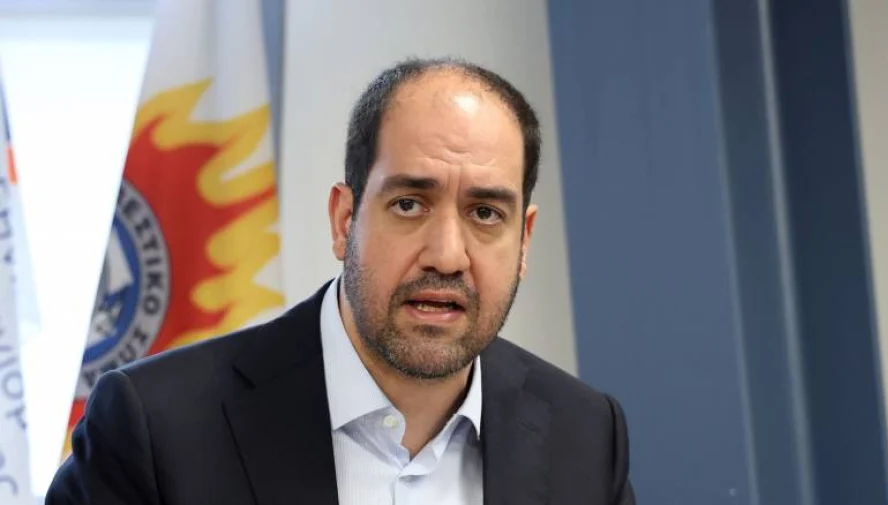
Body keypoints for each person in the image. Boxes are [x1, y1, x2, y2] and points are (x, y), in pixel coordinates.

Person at [46, 57, 635, 505]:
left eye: (485, 213)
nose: (447, 255)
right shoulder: (157, 428)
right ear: (344, 220)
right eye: (409, 204)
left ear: (524, 240)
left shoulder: (586, 437)